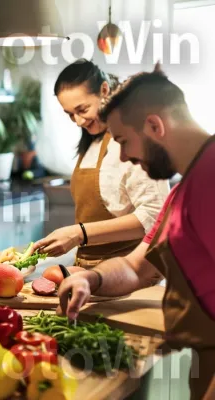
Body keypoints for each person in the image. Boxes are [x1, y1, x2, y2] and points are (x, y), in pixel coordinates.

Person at [58, 65, 215, 399]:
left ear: (154, 126)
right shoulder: (180, 192)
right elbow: (136, 267)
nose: (125, 156)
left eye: (124, 142)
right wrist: (92, 279)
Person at [32, 59, 169, 268]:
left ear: (104, 90)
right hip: (89, 272)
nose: (78, 121)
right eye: (70, 114)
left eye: (82, 109)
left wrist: (79, 233)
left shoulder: (132, 141)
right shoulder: (90, 143)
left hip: (130, 271)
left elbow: (154, 215)